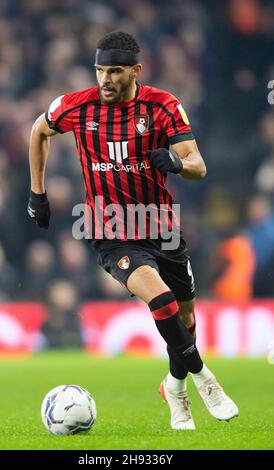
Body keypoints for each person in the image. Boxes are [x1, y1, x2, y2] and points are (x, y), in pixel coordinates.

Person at [27, 31, 238, 430]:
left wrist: (175, 162)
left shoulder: (163, 106)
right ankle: (205, 380)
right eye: (100, 70)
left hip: (161, 227)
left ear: (136, 71)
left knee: (186, 320)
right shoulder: (78, 106)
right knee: (160, 299)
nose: (105, 79)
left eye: (115, 71)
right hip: (110, 230)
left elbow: (198, 165)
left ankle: (174, 388)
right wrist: (37, 193)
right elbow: (39, 130)